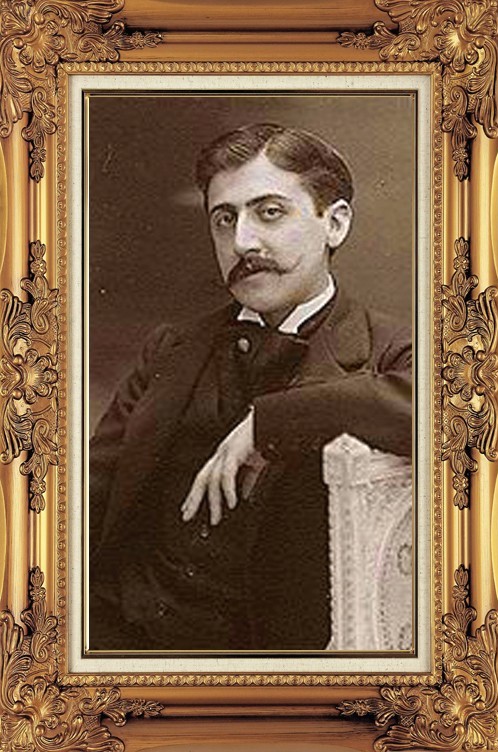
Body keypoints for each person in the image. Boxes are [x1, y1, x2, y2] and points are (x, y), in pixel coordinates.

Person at [89, 123, 412, 652]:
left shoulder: (393, 350)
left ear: (334, 224)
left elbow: (458, 410)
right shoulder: (172, 348)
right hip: (114, 639)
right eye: (224, 219)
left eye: (270, 212)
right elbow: (84, 500)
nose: (242, 242)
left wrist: (271, 422)